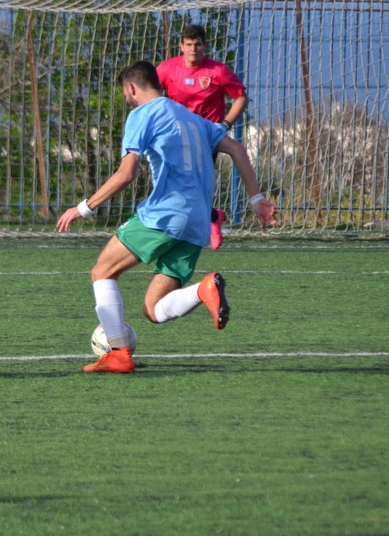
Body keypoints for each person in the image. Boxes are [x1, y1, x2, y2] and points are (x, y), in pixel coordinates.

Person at [57, 60, 276, 373]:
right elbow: (238, 150)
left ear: (131, 88)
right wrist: (256, 199)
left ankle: (118, 354)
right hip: (198, 223)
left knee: (102, 271)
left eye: (125, 93)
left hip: (165, 214)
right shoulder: (195, 119)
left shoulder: (142, 115)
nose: (126, 99)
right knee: (154, 309)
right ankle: (203, 290)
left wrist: (83, 208)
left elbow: (126, 174)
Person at [157, 24, 249, 251]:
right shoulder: (167, 69)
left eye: (197, 44)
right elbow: (151, 93)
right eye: (189, 44)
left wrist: (225, 125)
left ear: (204, 46)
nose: (193, 49)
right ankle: (212, 217)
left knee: (193, 185)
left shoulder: (217, 71)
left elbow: (241, 97)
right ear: (181, 46)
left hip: (207, 137)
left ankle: (192, 227)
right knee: (177, 184)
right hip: (176, 135)